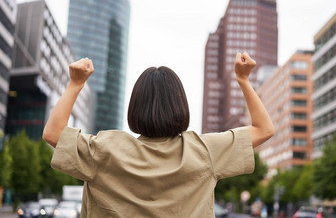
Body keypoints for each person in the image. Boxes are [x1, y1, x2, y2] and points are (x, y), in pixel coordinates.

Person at [43, 52, 274, 217]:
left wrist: (75, 84)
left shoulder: (105, 149)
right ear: (180, 105)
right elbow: (264, 129)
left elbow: (53, 134)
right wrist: (243, 80)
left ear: (135, 107)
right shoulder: (205, 151)